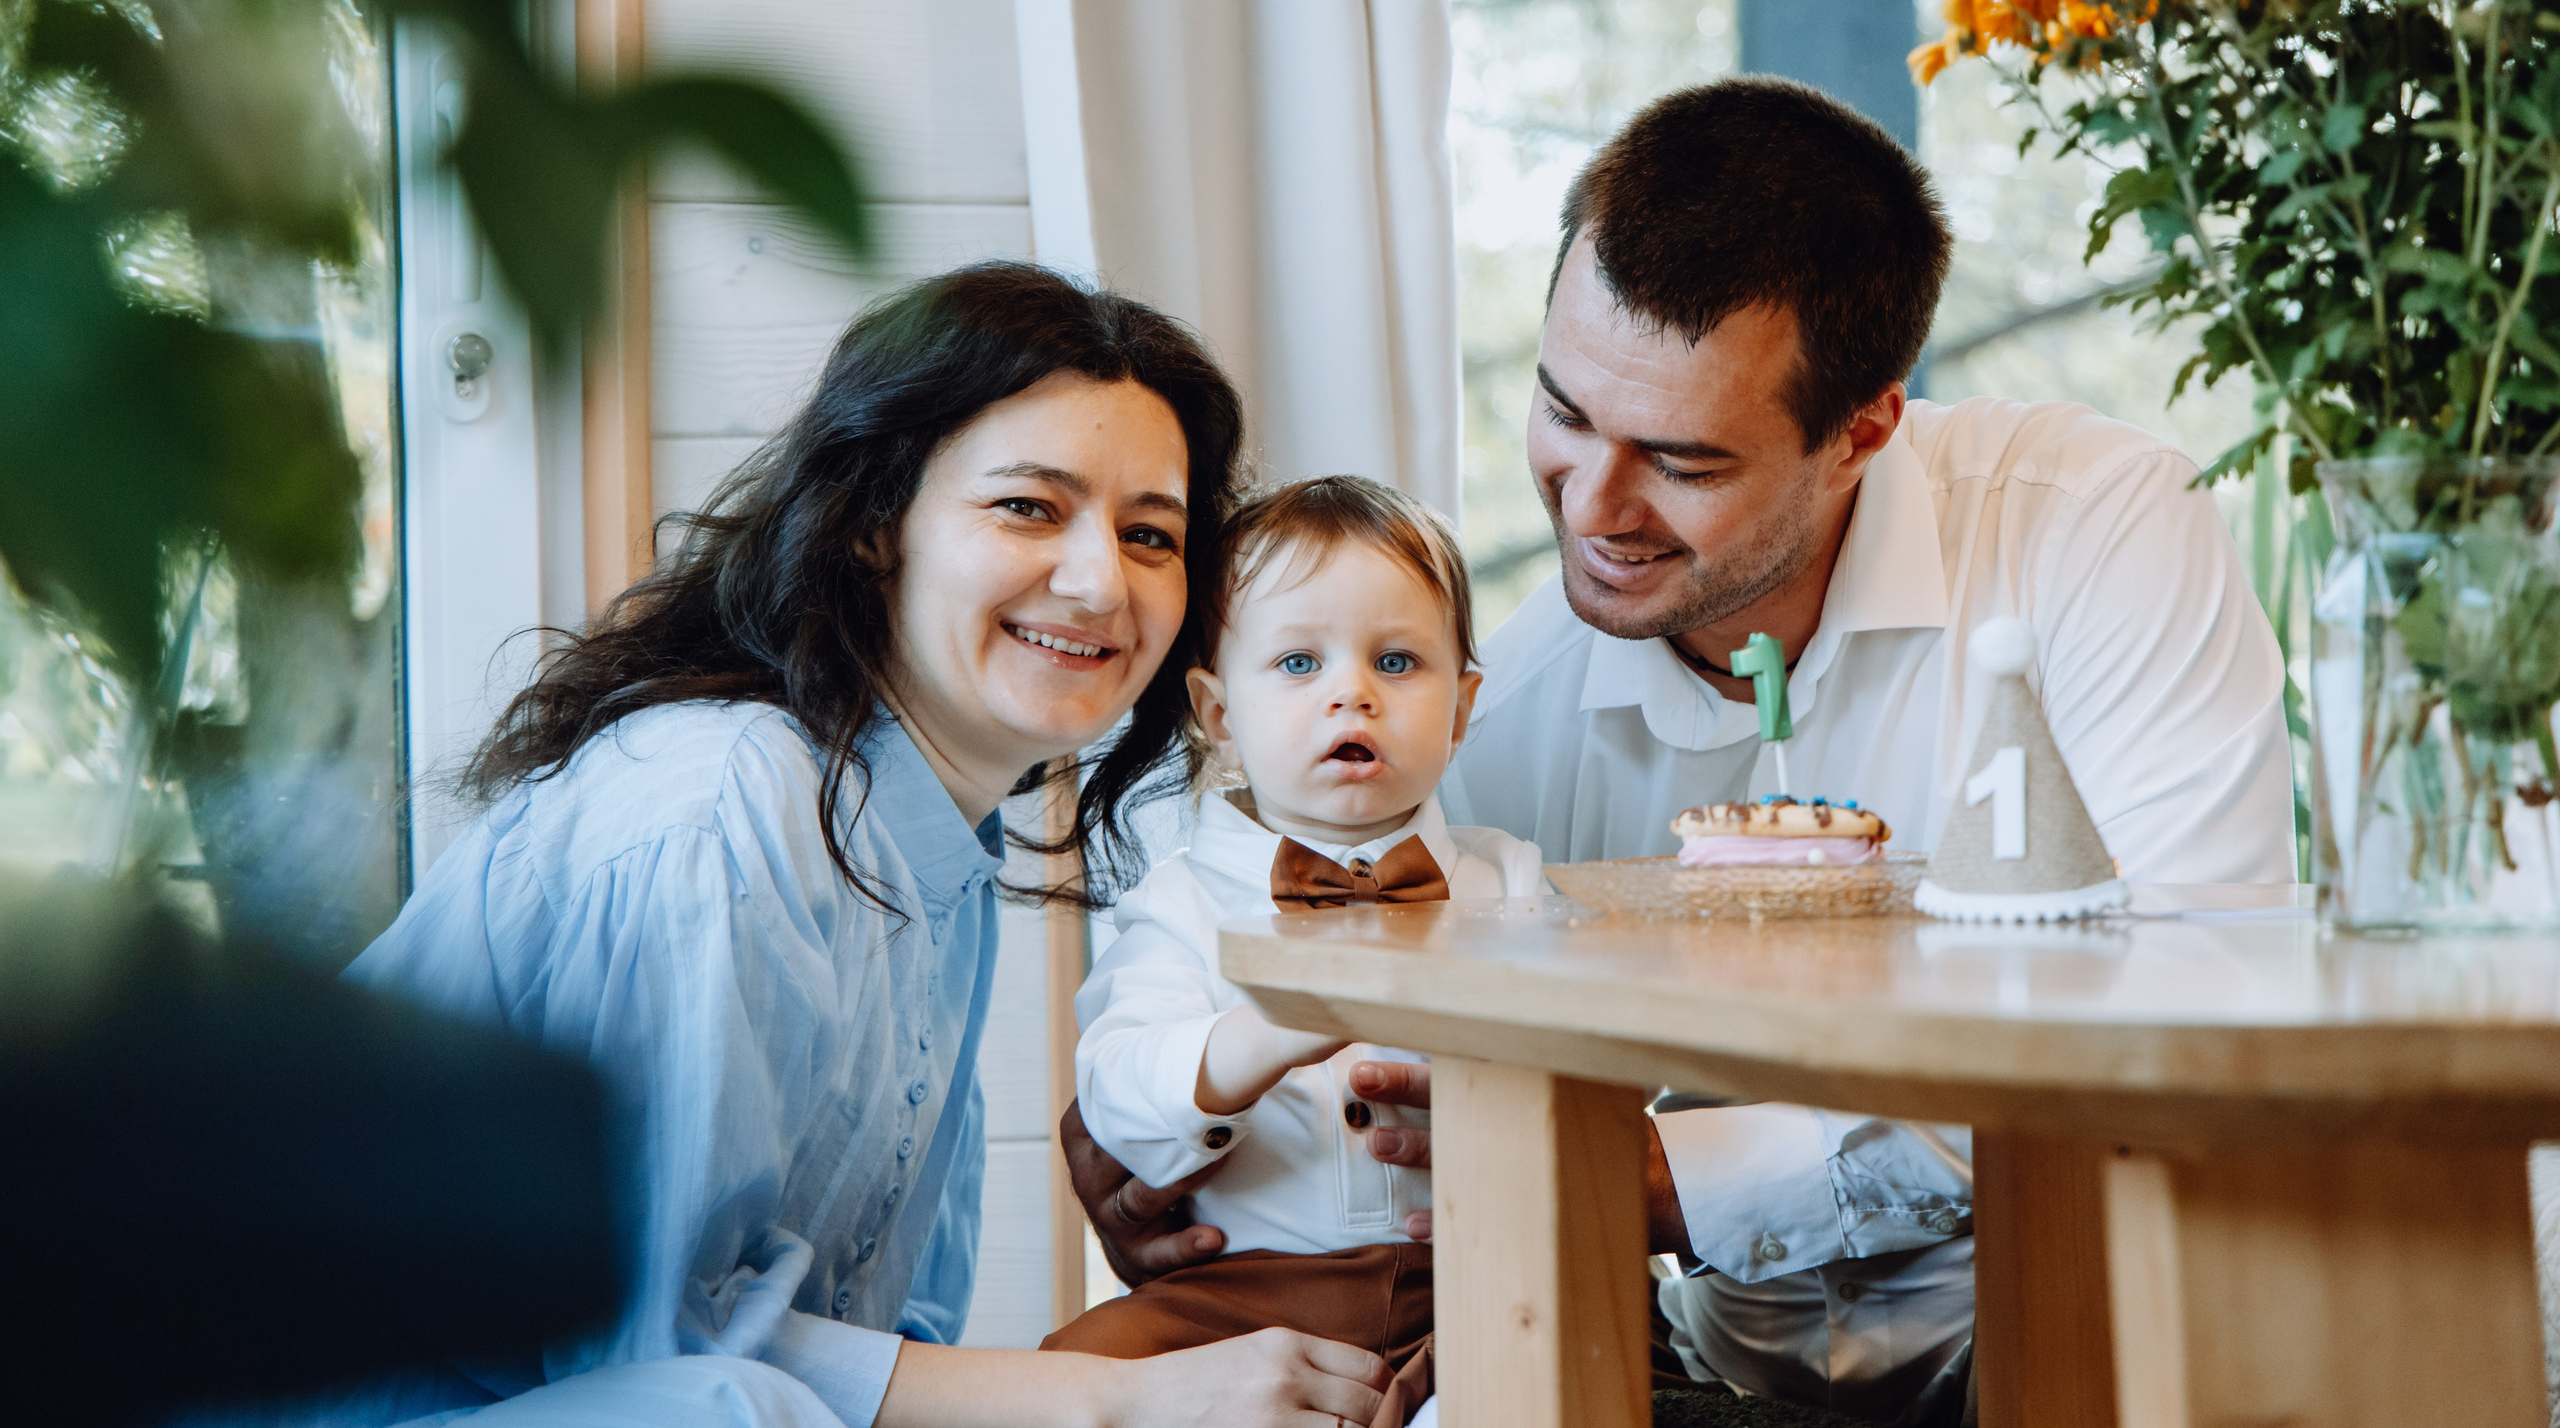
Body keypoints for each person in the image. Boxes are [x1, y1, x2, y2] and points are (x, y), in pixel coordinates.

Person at [1067, 80, 2294, 1426]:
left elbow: (2200, 1023)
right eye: (1564, 411)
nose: (1594, 509)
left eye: (1682, 459)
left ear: (1864, 429)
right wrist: (1152, 1119)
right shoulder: (1509, 697)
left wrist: (1662, 1173)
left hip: (2098, 1344)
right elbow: (1335, 1002)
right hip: (1699, 1374)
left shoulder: (2092, 534)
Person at [266, 266, 1391, 1428]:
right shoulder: (720, 801)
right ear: (872, 522)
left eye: (1149, 533)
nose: (1101, 579)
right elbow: (664, 1353)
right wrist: (1123, 1403)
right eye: (1028, 507)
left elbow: (890, 1345)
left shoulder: (941, 844)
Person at [1041, 478, 1544, 1426]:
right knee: (1068, 1377)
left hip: (1475, 1276)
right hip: (1231, 1295)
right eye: (1299, 662)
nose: (1352, 690)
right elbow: (1118, 1091)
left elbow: (1595, 1074)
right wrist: (1266, 1027)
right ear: (1219, 713)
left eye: (1397, 660)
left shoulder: (1513, 884)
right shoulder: (1179, 903)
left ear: (1462, 707)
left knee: (1544, 1388)